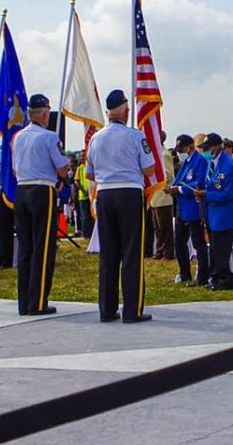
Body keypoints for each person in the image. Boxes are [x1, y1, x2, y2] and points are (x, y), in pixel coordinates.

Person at [86, 89, 155, 323]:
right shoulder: (135, 136)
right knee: (131, 253)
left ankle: (106, 309)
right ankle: (132, 310)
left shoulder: (96, 138)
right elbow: (149, 169)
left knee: (108, 254)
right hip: (129, 194)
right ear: (125, 110)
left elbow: (89, 172)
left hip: (105, 194)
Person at [12, 94, 71, 316]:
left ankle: (24, 302)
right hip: (42, 190)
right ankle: (38, 302)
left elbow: (16, 169)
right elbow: (63, 169)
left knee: (25, 248)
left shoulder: (18, 137)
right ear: (45, 114)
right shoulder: (49, 137)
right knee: (43, 248)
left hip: (22, 189)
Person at [193, 133, 233, 290]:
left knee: (221, 249)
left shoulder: (228, 165)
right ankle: (215, 277)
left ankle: (225, 279)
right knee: (214, 248)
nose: (207, 151)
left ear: (218, 146)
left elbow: (229, 193)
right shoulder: (211, 163)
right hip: (213, 215)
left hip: (224, 215)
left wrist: (207, 194)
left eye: (209, 148)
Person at [165, 134, 209, 286]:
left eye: (181, 149)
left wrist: (180, 190)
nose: (179, 152)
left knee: (198, 243)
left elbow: (198, 183)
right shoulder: (185, 163)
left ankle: (202, 277)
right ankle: (184, 273)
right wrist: (171, 188)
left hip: (194, 208)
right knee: (179, 243)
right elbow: (179, 180)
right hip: (182, 209)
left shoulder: (200, 161)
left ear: (189, 147)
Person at [150, 131, 175, 260]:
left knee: (165, 227)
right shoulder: (155, 155)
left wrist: (156, 176)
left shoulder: (164, 155)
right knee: (157, 227)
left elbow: (169, 176)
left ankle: (168, 252)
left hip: (163, 195)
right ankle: (159, 250)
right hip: (155, 196)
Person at [74, 150, 94, 238]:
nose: (82, 158)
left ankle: (92, 234)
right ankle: (85, 234)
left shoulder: (91, 166)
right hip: (83, 196)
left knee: (92, 215)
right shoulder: (80, 168)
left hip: (92, 195)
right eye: (81, 157)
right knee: (85, 216)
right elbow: (76, 181)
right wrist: (83, 190)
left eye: (83, 156)